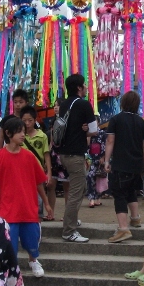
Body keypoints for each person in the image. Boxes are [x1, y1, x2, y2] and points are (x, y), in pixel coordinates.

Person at [0, 117, 53, 277]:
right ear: (8, 133)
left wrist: (46, 203)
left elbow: (39, 182)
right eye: (19, 131)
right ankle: (11, 267)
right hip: (7, 209)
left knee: (32, 239)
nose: (23, 135)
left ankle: (33, 260)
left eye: (24, 131)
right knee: (9, 243)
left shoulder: (29, 156)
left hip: (28, 207)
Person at [104, 90, 144, 243]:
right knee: (131, 191)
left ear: (123, 103)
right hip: (136, 164)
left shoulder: (116, 119)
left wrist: (106, 160)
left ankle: (123, 228)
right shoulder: (142, 122)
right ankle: (135, 218)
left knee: (119, 194)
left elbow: (110, 141)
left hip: (120, 163)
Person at [57, 74, 98, 243]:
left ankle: (71, 220)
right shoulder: (83, 104)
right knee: (76, 192)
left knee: (75, 190)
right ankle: (69, 231)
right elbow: (94, 131)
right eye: (85, 85)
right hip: (76, 154)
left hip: (64, 154)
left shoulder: (64, 104)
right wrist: (86, 129)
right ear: (79, 87)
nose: (86, 87)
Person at [21, 105, 52, 219]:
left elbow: (46, 154)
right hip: (22, 173)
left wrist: (48, 172)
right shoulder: (19, 136)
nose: (27, 123)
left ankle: (37, 223)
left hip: (37, 173)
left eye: (30, 120)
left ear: (35, 120)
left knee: (38, 199)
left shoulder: (42, 136)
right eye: (24, 121)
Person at [46, 99, 70, 220]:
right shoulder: (52, 121)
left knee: (67, 187)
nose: (55, 108)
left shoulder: (68, 120)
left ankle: (67, 214)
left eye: (58, 105)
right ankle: (51, 213)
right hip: (54, 155)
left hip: (65, 155)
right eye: (54, 105)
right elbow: (51, 140)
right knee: (51, 185)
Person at [87, 116, 107, 208]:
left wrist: (103, 157)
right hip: (91, 157)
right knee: (90, 176)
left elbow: (105, 145)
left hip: (100, 157)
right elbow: (87, 146)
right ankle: (92, 199)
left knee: (100, 178)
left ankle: (98, 198)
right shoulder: (89, 133)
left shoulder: (103, 133)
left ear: (98, 123)